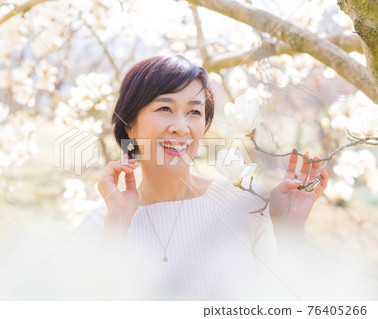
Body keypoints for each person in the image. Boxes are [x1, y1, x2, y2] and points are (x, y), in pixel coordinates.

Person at [78, 55, 329, 300]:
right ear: (129, 125)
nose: (181, 126)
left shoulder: (244, 204)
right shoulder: (100, 224)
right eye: (165, 108)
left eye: (194, 112)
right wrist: (118, 224)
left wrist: (289, 232)